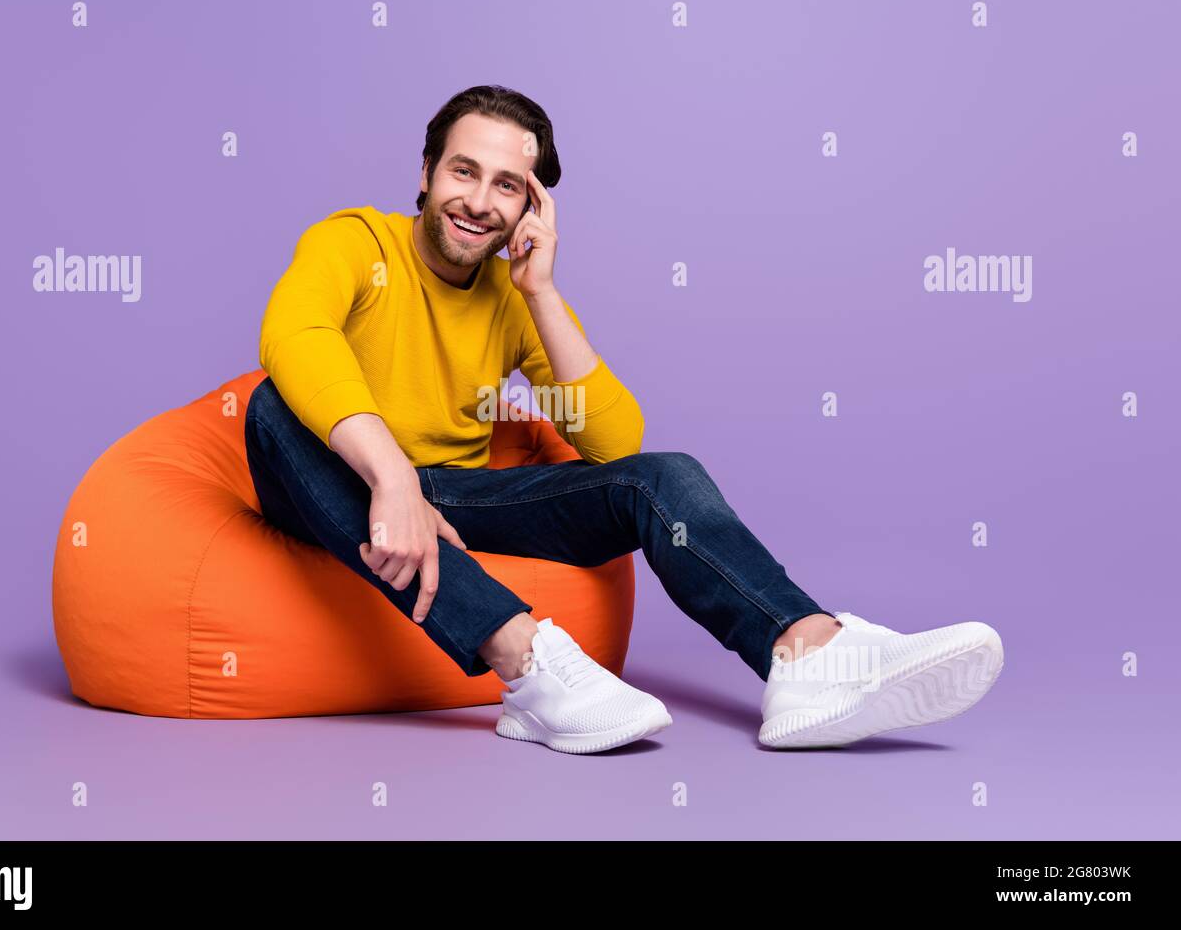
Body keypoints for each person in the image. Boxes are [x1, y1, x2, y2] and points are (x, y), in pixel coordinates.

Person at [244, 84, 1004, 755]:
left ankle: (802, 653)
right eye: (463, 171)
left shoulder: (512, 296)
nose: (479, 201)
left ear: (530, 207)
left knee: (661, 476)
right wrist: (391, 477)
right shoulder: (355, 242)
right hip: (334, 483)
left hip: (455, 497)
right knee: (271, 405)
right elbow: (294, 336)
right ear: (425, 174)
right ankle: (529, 663)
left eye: (508, 186)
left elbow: (615, 441)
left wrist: (540, 291)